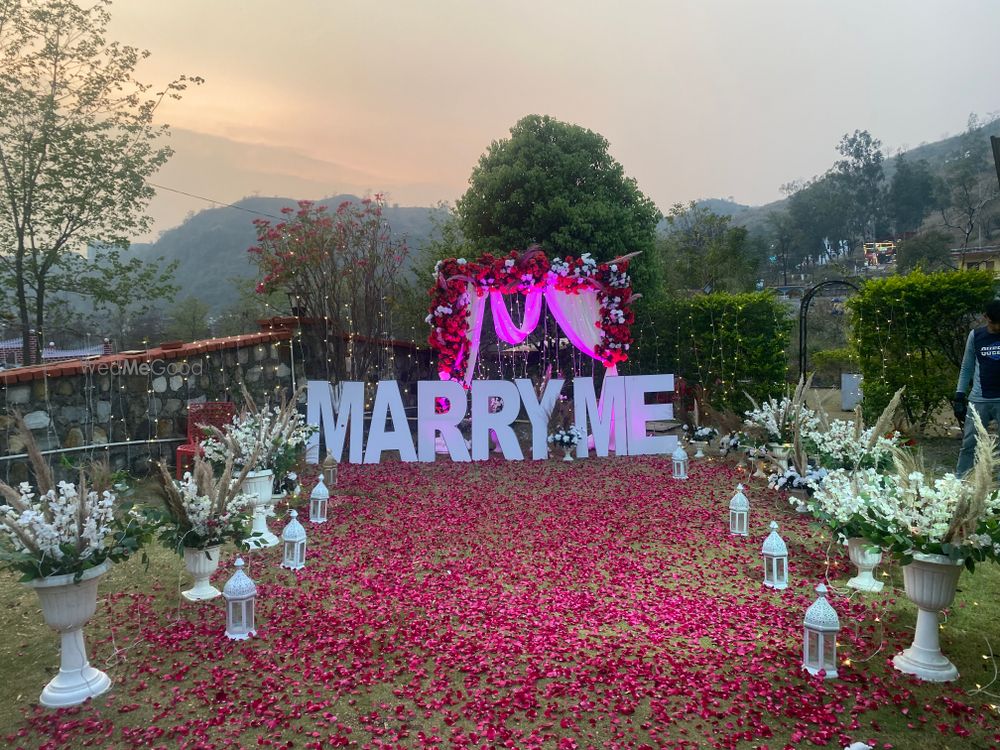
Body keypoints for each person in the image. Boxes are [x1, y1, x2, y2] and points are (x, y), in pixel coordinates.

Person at [954, 298, 1000, 475]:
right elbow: (967, 367)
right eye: (996, 323)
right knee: (969, 443)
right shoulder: (976, 336)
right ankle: (961, 481)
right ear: (986, 317)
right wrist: (959, 395)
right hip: (979, 398)